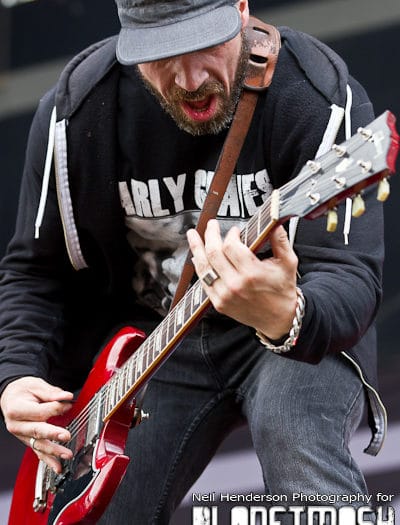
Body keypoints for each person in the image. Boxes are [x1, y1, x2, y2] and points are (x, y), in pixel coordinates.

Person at [0, 0, 388, 523]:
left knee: (299, 450)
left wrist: (290, 314)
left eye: (205, 44)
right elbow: (35, 269)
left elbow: (352, 272)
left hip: (288, 333)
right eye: (162, 55)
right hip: (154, 343)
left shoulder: (313, 93)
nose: (190, 79)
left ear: (242, 11)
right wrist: (17, 374)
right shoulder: (76, 112)